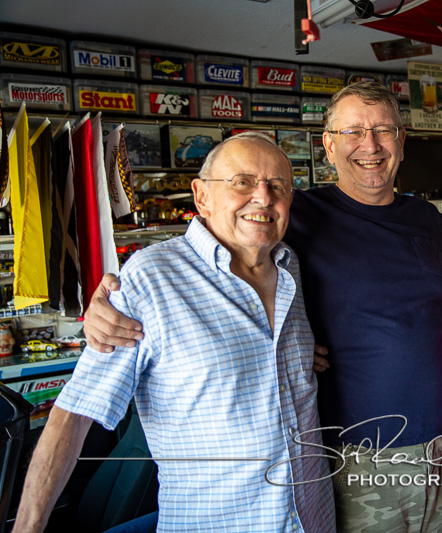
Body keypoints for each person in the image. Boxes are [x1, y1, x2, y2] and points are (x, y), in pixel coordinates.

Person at [82, 82, 442, 532]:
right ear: (328, 146)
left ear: (401, 144)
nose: (369, 146)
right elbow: (213, 252)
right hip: (357, 457)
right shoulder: (294, 214)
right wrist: (114, 297)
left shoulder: (427, 219)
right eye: (353, 132)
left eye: (382, 131)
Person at [12, 133, 335, 533]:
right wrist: (27, 528)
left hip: (313, 519)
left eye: (278, 187)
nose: (263, 197)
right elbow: (74, 414)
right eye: (242, 182)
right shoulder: (150, 279)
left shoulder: (291, 268)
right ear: (201, 197)